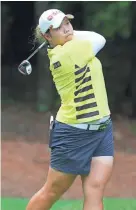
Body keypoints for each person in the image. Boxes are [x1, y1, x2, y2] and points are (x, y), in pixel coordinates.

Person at [26, 9, 114, 210]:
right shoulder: (66, 53)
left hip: (102, 129)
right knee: (51, 192)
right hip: (74, 133)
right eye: (59, 26)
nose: (67, 28)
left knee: (96, 189)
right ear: (47, 35)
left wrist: (62, 34)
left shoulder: (74, 46)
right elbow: (99, 38)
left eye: (67, 23)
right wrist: (70, 35)